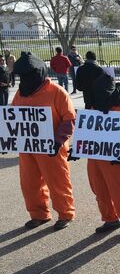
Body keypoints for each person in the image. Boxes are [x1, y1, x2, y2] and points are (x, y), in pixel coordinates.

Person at [11, 52, 76, 230]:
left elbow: (69, 119)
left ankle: (65, 214)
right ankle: (39, 214)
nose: (24, 80)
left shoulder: (57, 92)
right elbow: (14, 117)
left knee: (58, 182)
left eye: (27, 76)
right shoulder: (21, 93)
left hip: (52, 146)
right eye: (21, 77)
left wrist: (58, 140)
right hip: (28, 147)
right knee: (29, 183)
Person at [83, 74, 120, 238]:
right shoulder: (95, 104)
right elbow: (89, 129)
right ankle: (110, 219)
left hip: (118, 157)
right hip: (96, 157)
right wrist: (78, 149)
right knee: (99, 189)